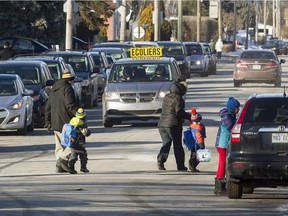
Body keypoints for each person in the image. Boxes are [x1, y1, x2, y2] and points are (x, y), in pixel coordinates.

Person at [45, 69, 79, 173]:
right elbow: (70, 105)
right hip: (66, 122)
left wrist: (48, 123)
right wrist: (79, 115)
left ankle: (59, 167)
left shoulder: (54, 89)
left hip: (55, 122)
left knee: (59, 145)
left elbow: (47, 107)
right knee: (73, 143)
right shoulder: (68, 89)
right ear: (70, 80)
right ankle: (62, 160)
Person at [157, 82, 191, 171]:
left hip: (162, 125)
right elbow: (179, 113)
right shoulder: (178, 99)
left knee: (166, 144)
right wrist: (190, 117)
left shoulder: (166, 97)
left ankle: (161, 159)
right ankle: (180, 166)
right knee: (178, 146)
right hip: (173, 125)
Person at [214, 97, 240, 195]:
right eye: (237, 108)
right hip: (222, 144)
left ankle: (218, 185)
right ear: (232, 108)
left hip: (223, 144)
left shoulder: (230, 115)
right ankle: (220, 185)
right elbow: (231, 127)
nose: (238, 110)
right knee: (223, 163)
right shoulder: (228, 117)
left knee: (222, 163)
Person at [67, 108, 91, 174]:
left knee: (73, 156)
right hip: (79, 143)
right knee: (83, 154)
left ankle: (71, 168)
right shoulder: (81, 124)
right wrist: (88, 132)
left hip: (72, 142)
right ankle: (83, 167)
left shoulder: (72, 121)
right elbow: (86, 133)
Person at [188, 108, 206, 172]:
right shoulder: (198, 127)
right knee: (200, 156)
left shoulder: (191, 125)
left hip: (192, 143)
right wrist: (202, 144)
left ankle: (192, 166)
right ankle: (192, 165)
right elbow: (199, 136)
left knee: (193, 154)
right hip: (198, 143)